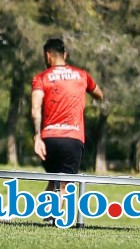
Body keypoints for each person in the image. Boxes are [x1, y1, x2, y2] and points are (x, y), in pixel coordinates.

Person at [31, 37, 105, 195]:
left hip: (48, 138)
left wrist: (37, 137)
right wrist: (94, 100)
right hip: (72, 138)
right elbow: (99, 94)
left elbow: (35, 108)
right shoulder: (82, 75)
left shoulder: (41, 78)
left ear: (47, 56)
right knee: (64, 185)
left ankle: (13, 212)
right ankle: (55, 218)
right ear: (65, 55)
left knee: (55, 182)